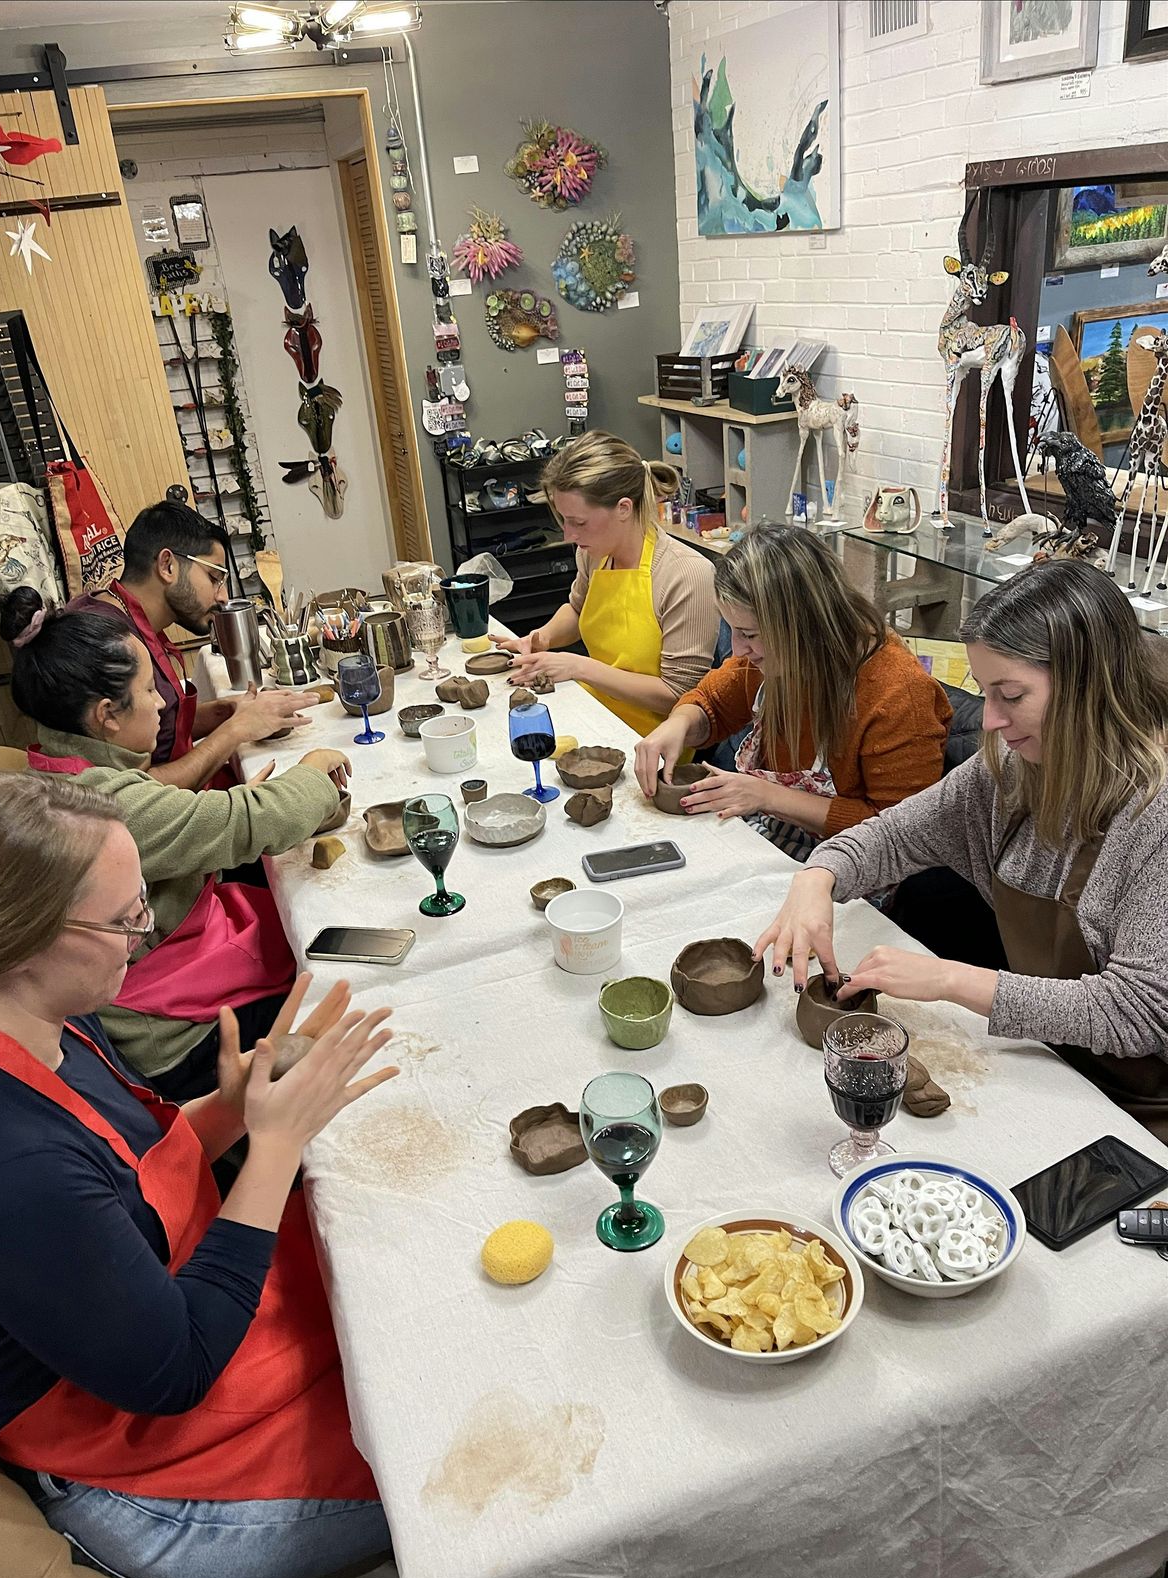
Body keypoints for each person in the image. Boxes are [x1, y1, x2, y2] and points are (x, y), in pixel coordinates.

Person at [0, 772, 398, 1578]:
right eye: (127, 916)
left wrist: (236, 1109)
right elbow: (175, 1369)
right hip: (153, 1475)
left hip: (181, 1338)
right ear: (24, 936)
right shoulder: (3, 1164)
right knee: (451, 1460)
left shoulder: (41, 1013)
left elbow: (133, 1181)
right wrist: (275, 1147)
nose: (150, 929)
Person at [754, 560, 1168, 1140]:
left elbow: (1137, 1012)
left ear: (1088, 684)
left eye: (1013, 696)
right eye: (986, 695)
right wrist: (816, 879)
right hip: (1048, 1060)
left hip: (1138, 1109)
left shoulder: (1156, 814)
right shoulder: (1011, 770)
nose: (992, 722)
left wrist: (950, 980)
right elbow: (894, 834)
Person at [1, 587, 350, 1098]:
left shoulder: (68, 768)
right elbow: (244, 822)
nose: (163, 702)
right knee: (339, 991)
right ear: (106, 715)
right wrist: (315, 773)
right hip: (173, 1037)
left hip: (166, 978)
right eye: (148, 691)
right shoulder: (96, 808)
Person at [634, 523, 952, 860]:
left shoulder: (897, 693)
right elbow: (712, 704)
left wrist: (769, 796)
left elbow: (902, 834)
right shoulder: (778, 658)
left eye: (749, 634)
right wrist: (679, 724)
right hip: (777, 833)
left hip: (858, 864)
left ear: (804, 623)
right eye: (734, 631)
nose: (738, 649)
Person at [74, 499, 317, 790]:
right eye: (215, 577)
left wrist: (232, 710)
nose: (224, 597)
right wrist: (236, 729)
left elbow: (163, 725)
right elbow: (135, 794)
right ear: (167, 566)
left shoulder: (126, 614)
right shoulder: (104, 644)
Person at [492, 430, 718, 737]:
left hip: (655, 744)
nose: (568, 535)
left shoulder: (685, 575)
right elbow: (577, 609)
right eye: (564, 519)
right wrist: (541, 638)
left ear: (624, 508)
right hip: (596, 712)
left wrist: (579, 667)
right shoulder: (594, 554)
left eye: (579, 522)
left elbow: (679, 696)